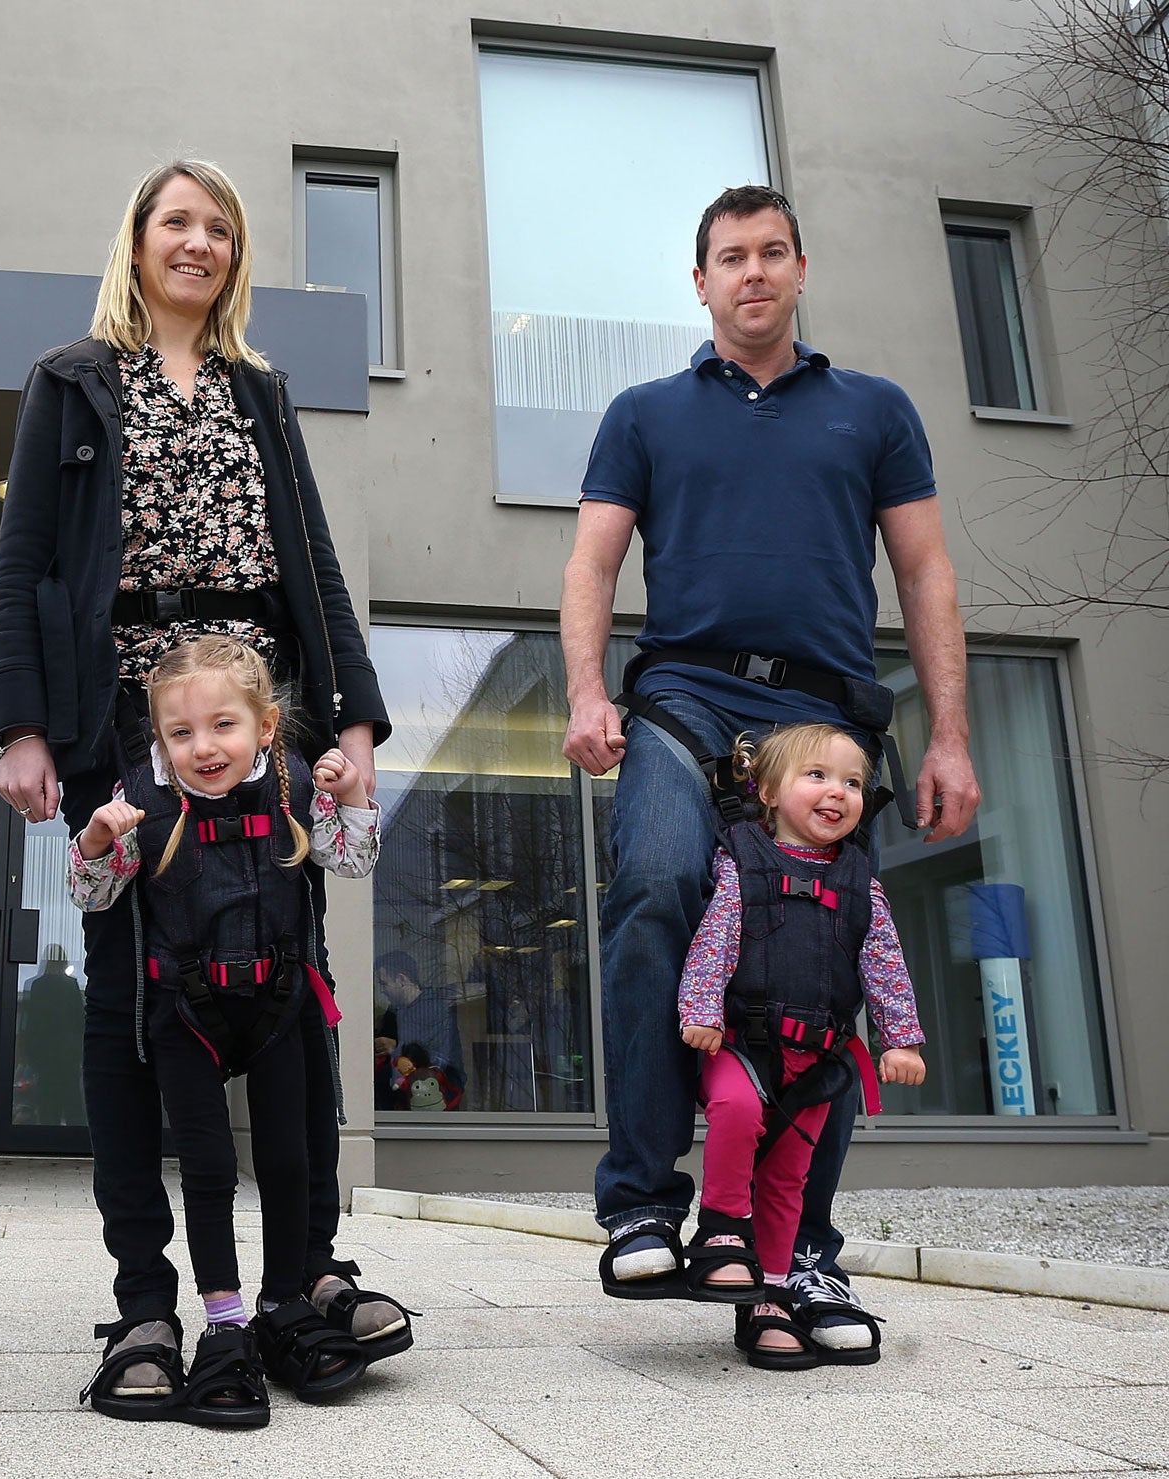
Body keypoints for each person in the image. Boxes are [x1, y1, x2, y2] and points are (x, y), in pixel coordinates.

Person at [0, 159, 412, 1416]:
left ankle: (299, 1285)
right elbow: (22, 566)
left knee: (292, 986)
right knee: (133, 1011)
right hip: (119, 710)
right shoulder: (72, 381)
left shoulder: (259, 392)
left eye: (219, 226)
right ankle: (145, 1306)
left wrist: (352, 723)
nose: (200, 240)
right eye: (178, 220)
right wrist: (20, 725)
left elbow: (312, 562)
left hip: (252, 704)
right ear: (137, 237)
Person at [559, 185, 980, 1356]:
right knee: (652, 884)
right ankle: (643, 1200)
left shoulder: (873, 411)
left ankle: (791, 1265)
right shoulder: (644, 411)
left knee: (823, 961)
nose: (750, 272)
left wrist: (944, 734)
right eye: (727, 257)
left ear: (800, 268)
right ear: (698, 282)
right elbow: (592, 562)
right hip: (685, 699)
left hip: (825, 718)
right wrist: (589, 691)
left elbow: (925, 573)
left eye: (770, 253)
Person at [66, 638, 383, 1425]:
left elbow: (350, 861)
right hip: (187, 1016)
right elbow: (92, 895)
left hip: (277, 1005)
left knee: (288, 1159)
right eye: (181, 734)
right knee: (207, 1170)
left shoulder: (296, 786)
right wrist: (97, 842)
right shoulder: (141, 798)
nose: (203, 748)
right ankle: (225, 1325)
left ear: (267, 726)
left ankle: (284, 1304)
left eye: (222, 726)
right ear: (156, 740)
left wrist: (348, 802)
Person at [677, 724, 926, 1369]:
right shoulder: (742, 862)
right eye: (817, 776)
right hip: (743, 1046)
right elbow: (715, 943)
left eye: (852, 783)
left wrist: (901, 1039)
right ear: (765, 789)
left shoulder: (861, 882)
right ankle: (724, 1230)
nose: (838, 792)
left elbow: (885, 965)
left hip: (819, 1060)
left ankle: (771, 1299)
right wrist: (700, 1010)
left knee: (791, 1176)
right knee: (736, 1111)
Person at [372, 950, 464, 1105]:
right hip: (401, 1100)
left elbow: (441, 1060)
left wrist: (396, 1049)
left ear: (401, 979)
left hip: (431, 1100)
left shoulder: (436, 1010)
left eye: (383, 983)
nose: (382, 990)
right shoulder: (393, 1013)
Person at [18, 943, 87, 1125]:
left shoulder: (35, 986)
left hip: (44, 1054)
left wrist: (30, 1053)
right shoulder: (70, 985)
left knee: (48, 1102)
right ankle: (73, 1141)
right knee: (72, 1101)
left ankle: (48, 1137)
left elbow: (30, 1023)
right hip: (67, 1054)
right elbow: (80, 1020)